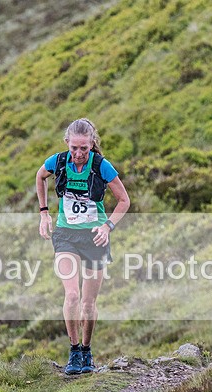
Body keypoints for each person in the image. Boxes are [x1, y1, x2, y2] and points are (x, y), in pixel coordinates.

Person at [35, 118, 130, 375]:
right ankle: (74, 351)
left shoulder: (101, 166)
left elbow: (124, 200)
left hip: (95, 238)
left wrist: (107, 226)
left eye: (84, 149)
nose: (78, 154)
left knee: (88, 303)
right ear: (67, 143)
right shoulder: (58, 161)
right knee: (72, 296)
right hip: (66, 235)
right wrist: (44, 213)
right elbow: (40, 176)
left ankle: (87, 350)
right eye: (74, 148)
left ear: (92, 145)